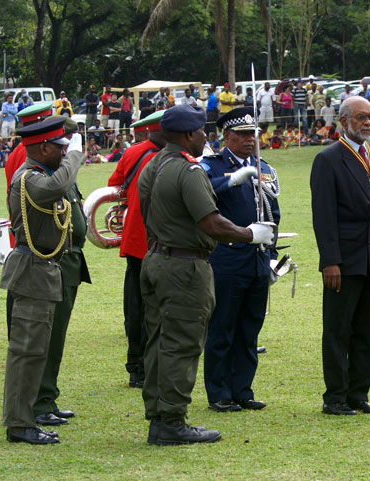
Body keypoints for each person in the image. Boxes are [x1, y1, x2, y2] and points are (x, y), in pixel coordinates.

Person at [137, 104, 275, 445]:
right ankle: (171, 421)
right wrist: (250, 234)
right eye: (200, 131)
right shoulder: (188, 170)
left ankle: (159, 414)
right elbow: (211, 223)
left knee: (157, 342)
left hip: (156, 258)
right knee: (182, 344)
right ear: (187, 135)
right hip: (184, 266)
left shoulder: (153, 166)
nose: (204, 137)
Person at [310, 96, 370, 416]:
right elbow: (323, 216)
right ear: (343, 121)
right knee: (338, 330)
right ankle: (335, 396)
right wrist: (329, 260)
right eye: (361, 117)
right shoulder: (328, 159)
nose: (368, 123)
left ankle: (359, 394)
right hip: (344, 261)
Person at [0, 117, 84, 444]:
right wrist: (77, 154)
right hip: (33, 270)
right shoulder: (29, 179)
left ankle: (25, 417)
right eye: (61, 148)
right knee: (27, 351)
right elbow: (58, 188)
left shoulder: (40, 175)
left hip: (42, 270)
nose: (65, 153)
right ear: (44, 147)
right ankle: (20, 424)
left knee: (36, 351)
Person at [200, 108, 280, 413]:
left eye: (254, 134)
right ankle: (219, 391)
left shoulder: (264, 168)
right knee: (223, 328)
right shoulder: (212, 166)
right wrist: (233, 179)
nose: (251, 140)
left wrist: (271, 255)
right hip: (228, 259)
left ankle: (242, 389)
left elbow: (274, 212)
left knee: (249, 329)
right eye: (244, 134)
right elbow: (204, 191)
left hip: (257, 259)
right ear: (226, 136)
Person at [31, 117, 91, 428]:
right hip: (52, 264)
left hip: (69, 262)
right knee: (47, 338)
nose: (66, 152)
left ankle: (48, 397)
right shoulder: (42, 176)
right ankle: (39, 401)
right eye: (62, 146)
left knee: (57, 337)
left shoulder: (58, 173)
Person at [107, 110, 166, 388]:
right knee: (156, 305)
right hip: (160, 241)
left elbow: (114, 184)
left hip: (133, 238)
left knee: (135, 304)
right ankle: (151, 364)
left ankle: (136, 367)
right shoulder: (171, 157)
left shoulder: (132, 153)